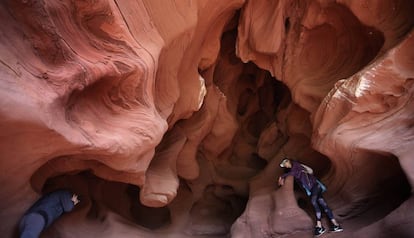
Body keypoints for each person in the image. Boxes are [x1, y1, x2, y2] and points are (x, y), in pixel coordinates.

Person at [278, 157, 343, 237]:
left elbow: (293, 173)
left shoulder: (296, 165)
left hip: (315, 186)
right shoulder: (294, 169)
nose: (285, 166)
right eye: (284, 166)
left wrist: (282, 176)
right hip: (313, 188)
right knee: (323, 204)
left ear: (288, 162)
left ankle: (319, 226)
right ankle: (336, 225)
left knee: (313, 201)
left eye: (285, 164)